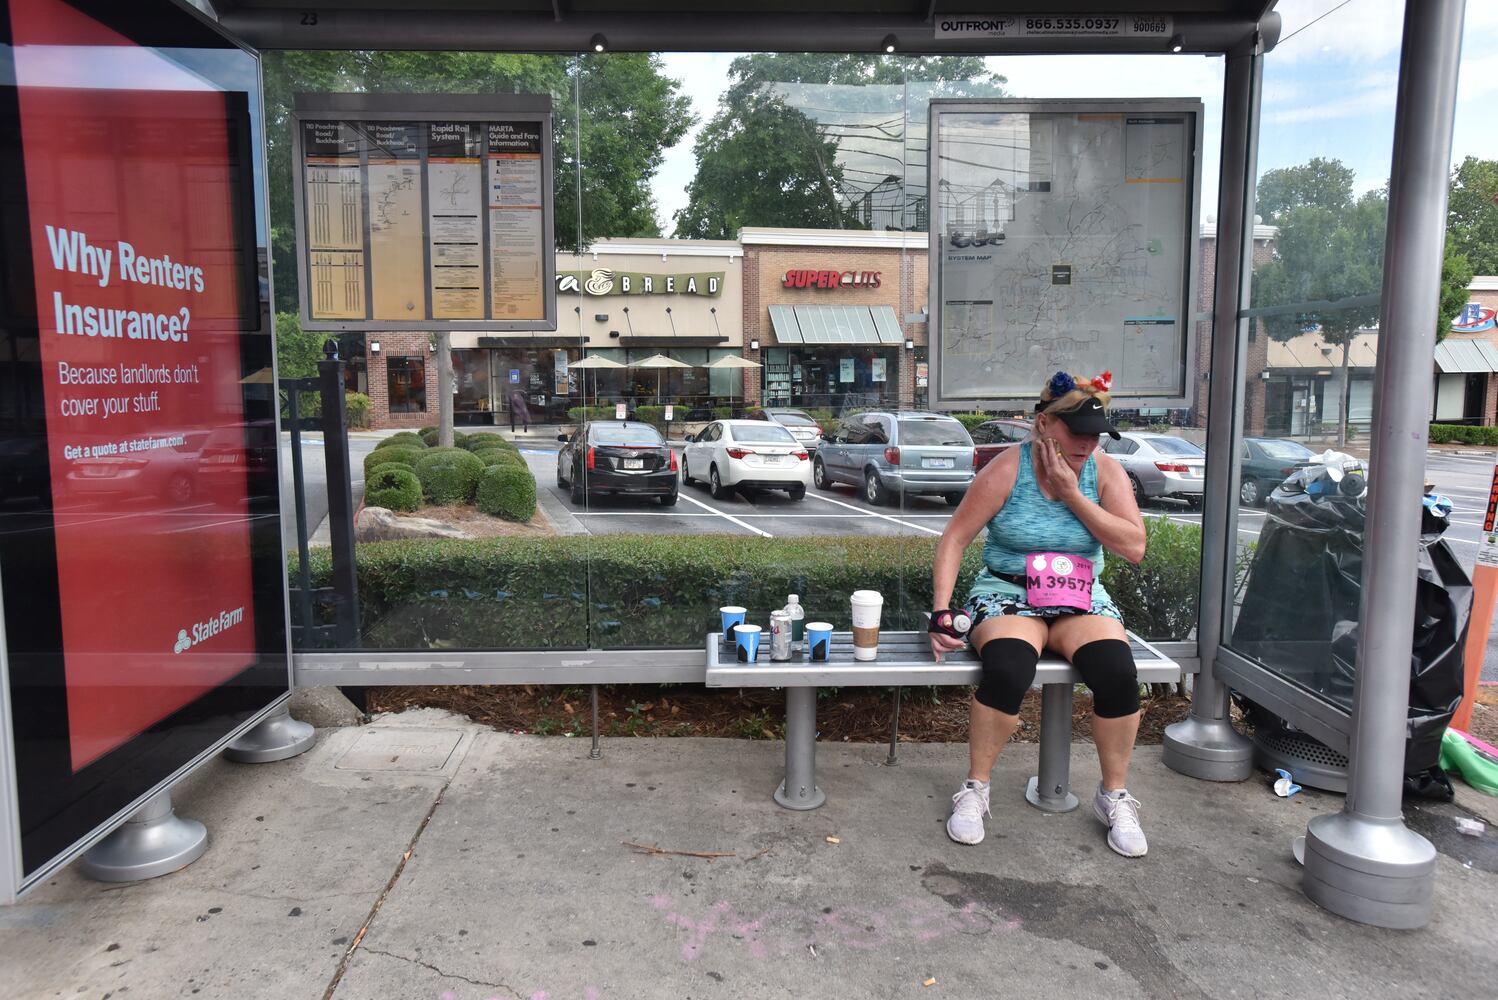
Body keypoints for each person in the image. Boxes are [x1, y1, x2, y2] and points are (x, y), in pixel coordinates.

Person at [928, 370, 1150, 857]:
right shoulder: (1009, 469)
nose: (1088, 443)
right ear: (1045, 424)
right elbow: (955, 538)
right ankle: (976, 787)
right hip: (1009, 593)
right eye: (1078, 432)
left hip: (1080, 596)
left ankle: (1114, 795)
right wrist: (941, 611)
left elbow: (1134, 547)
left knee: (1116, 673)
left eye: (1096, 435)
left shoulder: (1103, 471)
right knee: (1008, 668)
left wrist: (1073, 494)